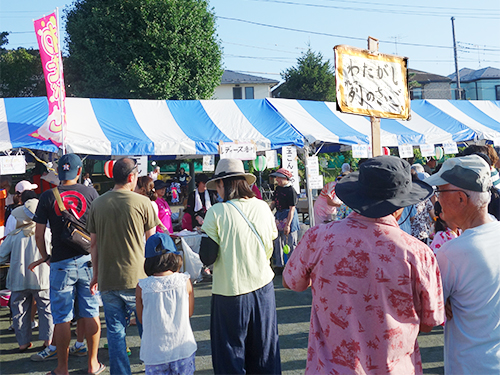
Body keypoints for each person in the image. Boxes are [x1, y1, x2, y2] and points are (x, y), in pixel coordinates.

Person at [283, 156, 444, 374]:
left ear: (357, 196)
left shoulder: (319, 237)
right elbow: (429, 322)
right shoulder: (418, 252)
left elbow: (291, 282)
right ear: (401, 206)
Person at [199, 159, 280, 374]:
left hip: (230, 292)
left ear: (223, 184)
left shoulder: (216, 212)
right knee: (265, 352)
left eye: (217, 186)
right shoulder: (263, 207)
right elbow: (271, 243)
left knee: (230, 356)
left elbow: (207, 256)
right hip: (263, 287)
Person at [424, 155, 500, 374]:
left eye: (439, 192)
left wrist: (444, 301)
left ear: (460, 198)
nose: (436, 201)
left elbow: (430, 314)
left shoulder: (453, 252)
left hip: (471, 365)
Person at [29, 154, 103, 375]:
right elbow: (98, 232)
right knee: (91, 312)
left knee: (62, 317)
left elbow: (39, 234)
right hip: (88, 260)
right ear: (79, 172)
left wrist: (46, 257)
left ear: (59, 172)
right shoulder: (91, 193)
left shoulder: (46, 196)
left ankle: (62, 368)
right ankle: (92, 364)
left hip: (60, 262)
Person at [87, 157, 160, 375]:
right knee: (146, 328)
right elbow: (152, 243)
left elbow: (93, 244)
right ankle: (152, 367)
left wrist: (96, 275)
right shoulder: (143, 203)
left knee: (116, 333)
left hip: (109, 278)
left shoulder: (98, 203)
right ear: (131, 177)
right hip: (139, 277)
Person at [136, 233, 196, 375]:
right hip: (183, 348)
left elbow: (141, 319)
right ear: (174, 257)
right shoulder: (184, 281)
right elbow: (189, 312)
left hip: (154, 352)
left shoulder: (142, 286)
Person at [0, 198, 53, 352]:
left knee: (20, 310)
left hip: (18, 279)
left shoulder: (14, 235)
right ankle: (48, 340)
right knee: (46, 309)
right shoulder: (48, 233)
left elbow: (1, 256)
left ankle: (23, 342)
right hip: (42, 279)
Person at [270, 168, 299, 269]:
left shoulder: (291, 191)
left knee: (291, 243)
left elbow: (292, 209)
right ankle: (279, 265)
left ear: (285, 178)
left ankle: (293, 266)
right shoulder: (277, 189)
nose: (277, 179)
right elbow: (273, 203)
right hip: (279, 215)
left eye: (279, 177)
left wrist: (288, 225)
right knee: (278, 242)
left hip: (289, 216)